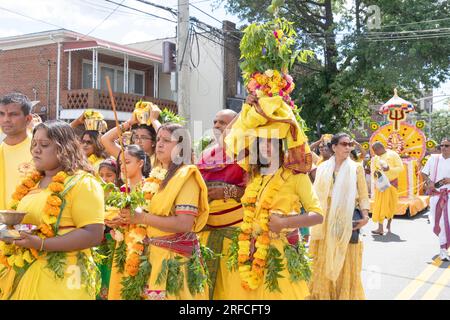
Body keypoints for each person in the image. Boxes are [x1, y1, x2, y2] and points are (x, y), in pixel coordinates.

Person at [223, 94, 323, 299]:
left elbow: (318, 215)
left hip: (280, 257)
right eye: (260, 142)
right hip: (250, 252)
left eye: (270, 142)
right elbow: (227, 138)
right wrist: (245, 109)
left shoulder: (296, 176)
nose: (264, 147)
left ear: (280, 145)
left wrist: (285, 221)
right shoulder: (254, 176)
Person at [0, 121, 104, 300]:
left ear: (64, 148)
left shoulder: (82, 183)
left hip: (63, 280)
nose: (36, 150)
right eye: (34, 145)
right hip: (25, 274)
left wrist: (40, 244)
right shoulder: (31, 184)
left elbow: (93, 234)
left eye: (44, 145)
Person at [117, 123, 210, 300]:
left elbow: (184, 224)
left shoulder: (186, 176)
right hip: (153, 258)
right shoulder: (158, 175)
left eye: (166, 140)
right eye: (158, 139)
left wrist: (142, 216)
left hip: (174, 262)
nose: (159, 144)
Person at [309, 133, 370, 300]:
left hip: (346, 218)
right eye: (344, 144)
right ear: (334, 147)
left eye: (350, 144)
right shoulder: (322, 168)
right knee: (323, 258)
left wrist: (365, 217)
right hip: (324, 219)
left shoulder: (356, 167)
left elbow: (363, 195)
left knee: (345, 258)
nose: (348, 147)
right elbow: (314, 196)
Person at [197, 109, 247, 300]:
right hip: (207, 231)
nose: (217, 126)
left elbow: (254, 192)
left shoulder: (245, 153)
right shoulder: (206, 153)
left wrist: (227, 191)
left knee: (232, 292)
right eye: (215, 122)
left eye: (223, 123)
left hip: (235, 233)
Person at [0, 93, 34, 210]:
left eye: (13, 114)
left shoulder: (39, 149)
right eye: (2, 114)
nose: (6, 120)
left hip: (28, 225)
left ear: (28, 119)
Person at [421, 137, 450, 261]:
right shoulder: (433, 159)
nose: (443, 148)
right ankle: (443, 244)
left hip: (448, 195)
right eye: (442, 145)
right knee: (436, 223)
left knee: (446, 222)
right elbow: (423, 173)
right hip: (436, 195)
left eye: (447, 146)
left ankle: (443, 249)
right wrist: (429, 182)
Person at [371, 142, 404, 235]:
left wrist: (389, 169)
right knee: (380, 204)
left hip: (392, 183)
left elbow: (401, 168)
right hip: (381, 184)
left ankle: (389, 224)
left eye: (375, 150)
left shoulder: (393, 154)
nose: (374, 153)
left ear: (380, 148)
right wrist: (375, 174)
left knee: (391, 205)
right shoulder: (376, 158)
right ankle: (380, 228)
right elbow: (374, 170)